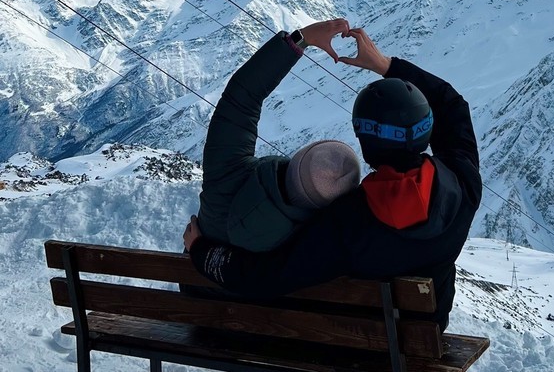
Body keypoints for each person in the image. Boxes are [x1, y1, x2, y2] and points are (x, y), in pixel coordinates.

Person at [183, 24, 482, 330]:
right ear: (427, 129)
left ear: (366, 143)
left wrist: (202, 251)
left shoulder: (348, 222)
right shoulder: (464, 182)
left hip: (351, 347)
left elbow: (268, 276)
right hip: (412, 343)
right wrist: (386, 65)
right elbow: (452, 106)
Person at [196, 18, 361, 253]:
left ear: (298, 159)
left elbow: (242, 97)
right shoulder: (311, 250)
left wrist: (302, 39)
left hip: (194, 284)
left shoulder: (227, 174)